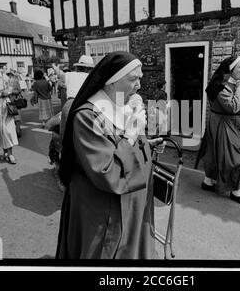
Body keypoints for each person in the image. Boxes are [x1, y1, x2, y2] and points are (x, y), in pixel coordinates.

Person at [56, 51, 163, 259]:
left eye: (140, 78)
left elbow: (116, 145)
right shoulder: (87, 116)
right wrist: (132, 134)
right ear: (111, 82)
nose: (139, 86)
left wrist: (145, 144)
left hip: (129, 204)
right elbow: (108, 171)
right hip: (104, 210)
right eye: (133, 79)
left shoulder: (118, 106)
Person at [200, 56, 240, 207]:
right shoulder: (219, 86)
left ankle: (208, 182)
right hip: (224, 125)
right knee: (234, 159)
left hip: (227, 124)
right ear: (230, 70)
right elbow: (232, 107)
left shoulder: (232, 85)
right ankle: (236, 191)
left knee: (215, 154)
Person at [7, 72, 23, 138]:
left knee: (11, 117)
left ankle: (14, 131)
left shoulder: (4, 82)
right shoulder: (16, 81)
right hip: (16, 101)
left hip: (8, 101)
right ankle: (17, 130)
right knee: (17, 116)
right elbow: (19, 90)